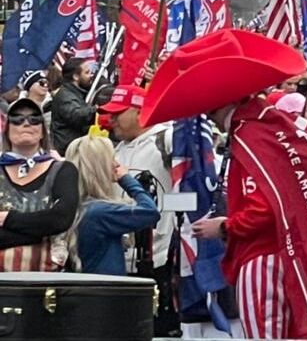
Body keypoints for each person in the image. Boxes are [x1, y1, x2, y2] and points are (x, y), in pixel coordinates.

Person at [156, 29, 307, 339]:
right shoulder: (274, 126)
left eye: (209, 108)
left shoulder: (250, 134)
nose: (208, 115)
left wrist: (224, 227)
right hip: (295, 255)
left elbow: (263, 208)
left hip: (264, 258)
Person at [102, 85, 180, 335]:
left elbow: (191, 196)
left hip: (160, 257)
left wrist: (164, 208)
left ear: (139, 111)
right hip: (123, 259)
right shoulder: (115, 150)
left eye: (118, 113)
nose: (111, 119)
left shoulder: (166, 139)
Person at [0, 96, 79, 270]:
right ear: (7, 129)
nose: (26, 123)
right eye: (17, 119)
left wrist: (7, 218)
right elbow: (51, 223)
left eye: (34, 119)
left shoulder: (63, 170)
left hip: (47, 281)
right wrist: (41, 233)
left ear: (43, 130)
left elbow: (61, 218)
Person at [65, 133, 160, 274]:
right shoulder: (99, 212)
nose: (116, 164)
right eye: (111, 159)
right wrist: (127, 179)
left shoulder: (79, 206)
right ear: (99, 168)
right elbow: (150, 212)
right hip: (107, 290)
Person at [51, 57, 96, 154]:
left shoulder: (78, 93)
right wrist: (97, 109)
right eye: (87, 72)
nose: (91, 75)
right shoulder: (65, 96)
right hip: (69, 150)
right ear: (76, 76)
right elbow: (78, 116)